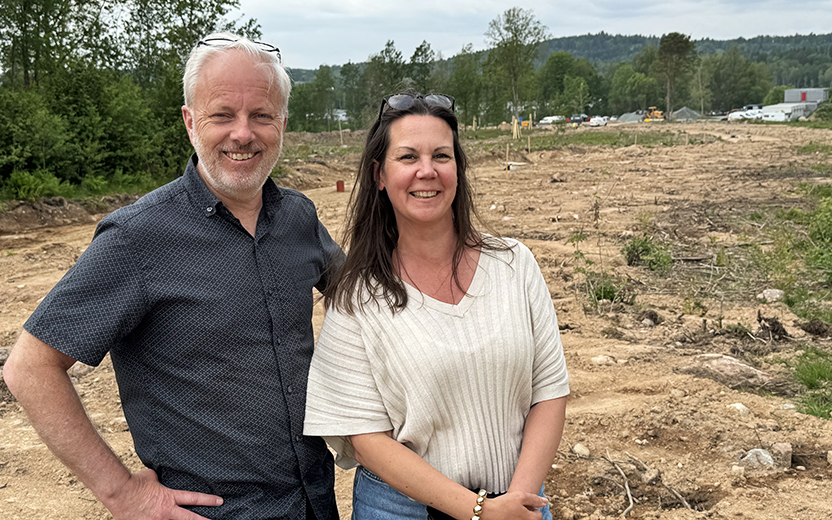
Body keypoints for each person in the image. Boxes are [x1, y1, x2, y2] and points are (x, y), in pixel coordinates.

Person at [3, 33, 342, 520]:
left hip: (314, 501)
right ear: (189, 122)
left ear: (282, 123)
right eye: (222, 115)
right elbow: (29, 368)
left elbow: (362, 295)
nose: (242, 134)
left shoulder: (298, 217)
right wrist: (121, 493)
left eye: (261, 116)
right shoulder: (138, 237)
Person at [303, 92, 570, 520]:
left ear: (458, 170)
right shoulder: (356, 297)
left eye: (441, 156)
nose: (426, 171)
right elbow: (367, 437)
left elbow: (550, 393)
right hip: (401, 510)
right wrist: (480, 511)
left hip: (518, 505)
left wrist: (514, 502)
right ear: (380, 175)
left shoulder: (515, 265)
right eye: (408, 156)